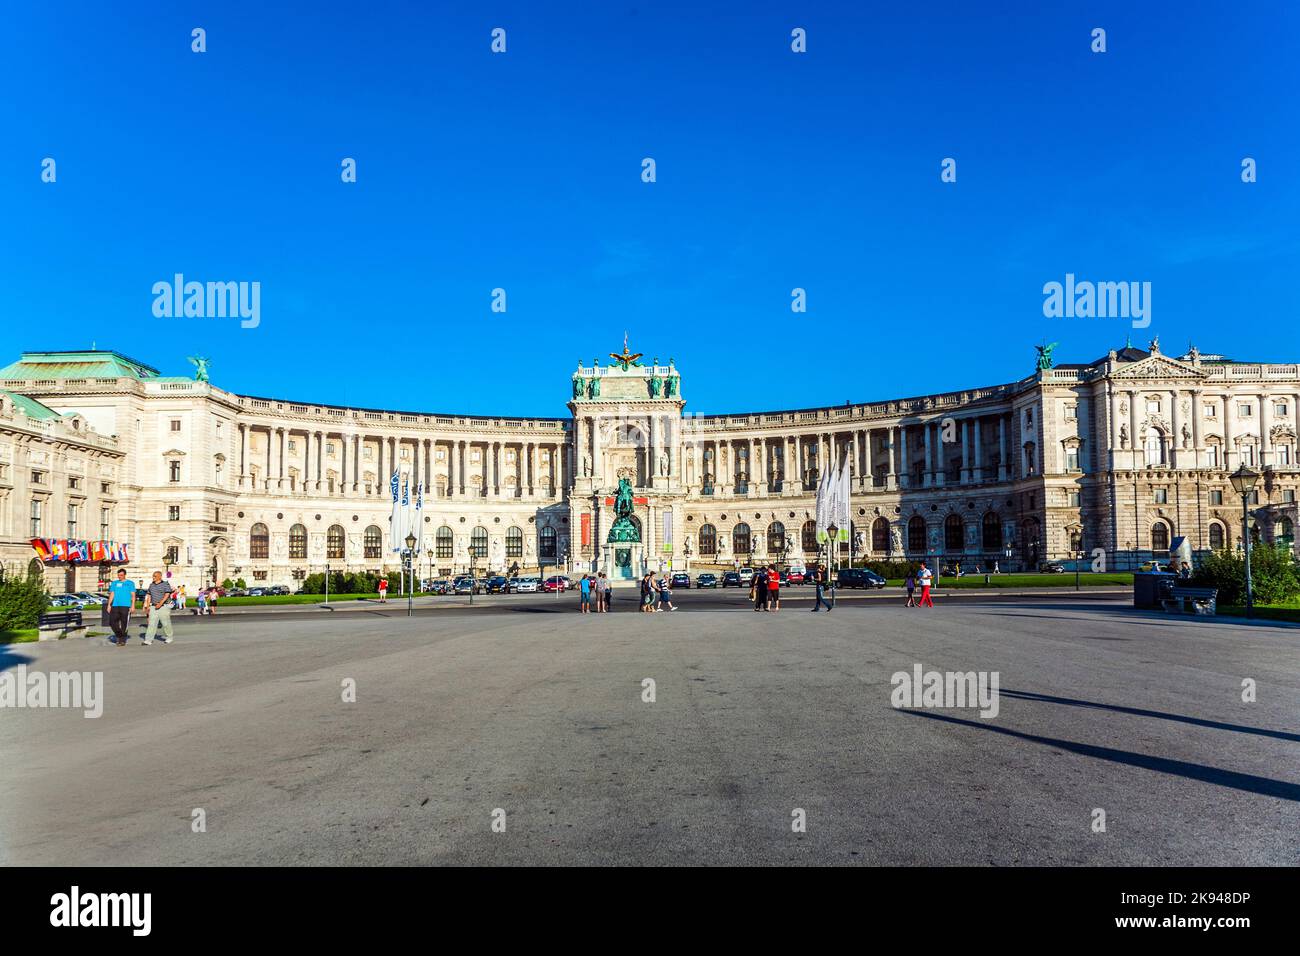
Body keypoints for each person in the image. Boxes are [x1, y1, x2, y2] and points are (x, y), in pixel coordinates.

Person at [142, 571, 177, 645]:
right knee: (151, 624)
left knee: (165, 623)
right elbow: (149, 595)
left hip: (164, 606)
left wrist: (160, 603)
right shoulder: (151, 585)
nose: (153, 577)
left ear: (160, 577)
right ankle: (148, 640)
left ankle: (169, 637)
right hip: (153, 606)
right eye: (153, 576)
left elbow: (167, 595)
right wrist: (148, 606)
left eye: (155, 576)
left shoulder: (165, 584)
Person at [106, 568, 135, 647]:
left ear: (125, 575)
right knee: (112, 622)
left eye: (121, 575)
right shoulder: (114, 583)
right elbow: (112, 594)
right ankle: (120, 635)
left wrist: (133, 605)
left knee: (124, 623)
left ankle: (121, 640)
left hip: (126, 605)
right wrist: (109, 605)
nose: (120, 577)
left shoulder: (130, 583)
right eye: (118, 575)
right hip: (115, 605)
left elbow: (133, 595)